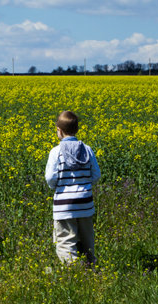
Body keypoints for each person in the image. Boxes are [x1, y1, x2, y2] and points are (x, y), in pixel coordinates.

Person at [44, 110, 101, 265]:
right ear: (76, 130)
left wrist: (57, 187)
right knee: (87, 240)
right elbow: (96, 175)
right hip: (85, 204)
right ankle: (91, 267)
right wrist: (84, 185)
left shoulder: (56, 152)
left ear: (59, 131)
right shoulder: (87, 150)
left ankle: (75, 274)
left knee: (65, 243)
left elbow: (50, 177)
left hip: (64, 206)